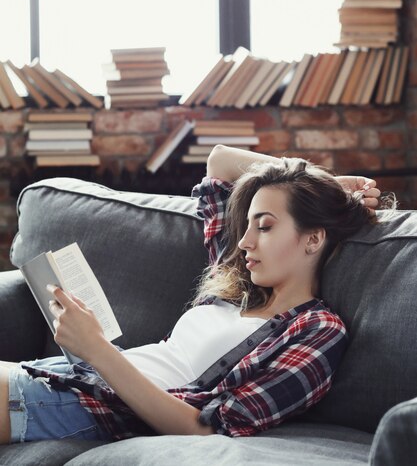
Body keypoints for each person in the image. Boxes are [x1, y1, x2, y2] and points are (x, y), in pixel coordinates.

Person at [0, 145, 390, 445]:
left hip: (84, 404)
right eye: (247, 226)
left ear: (314, 239)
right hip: (62, 375)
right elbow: (220, 161)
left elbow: (206, 430)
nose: (245, 241)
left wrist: (97, 349)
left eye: (265, 227)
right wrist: (325, 184)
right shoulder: (239, 283)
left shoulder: (318, 331)